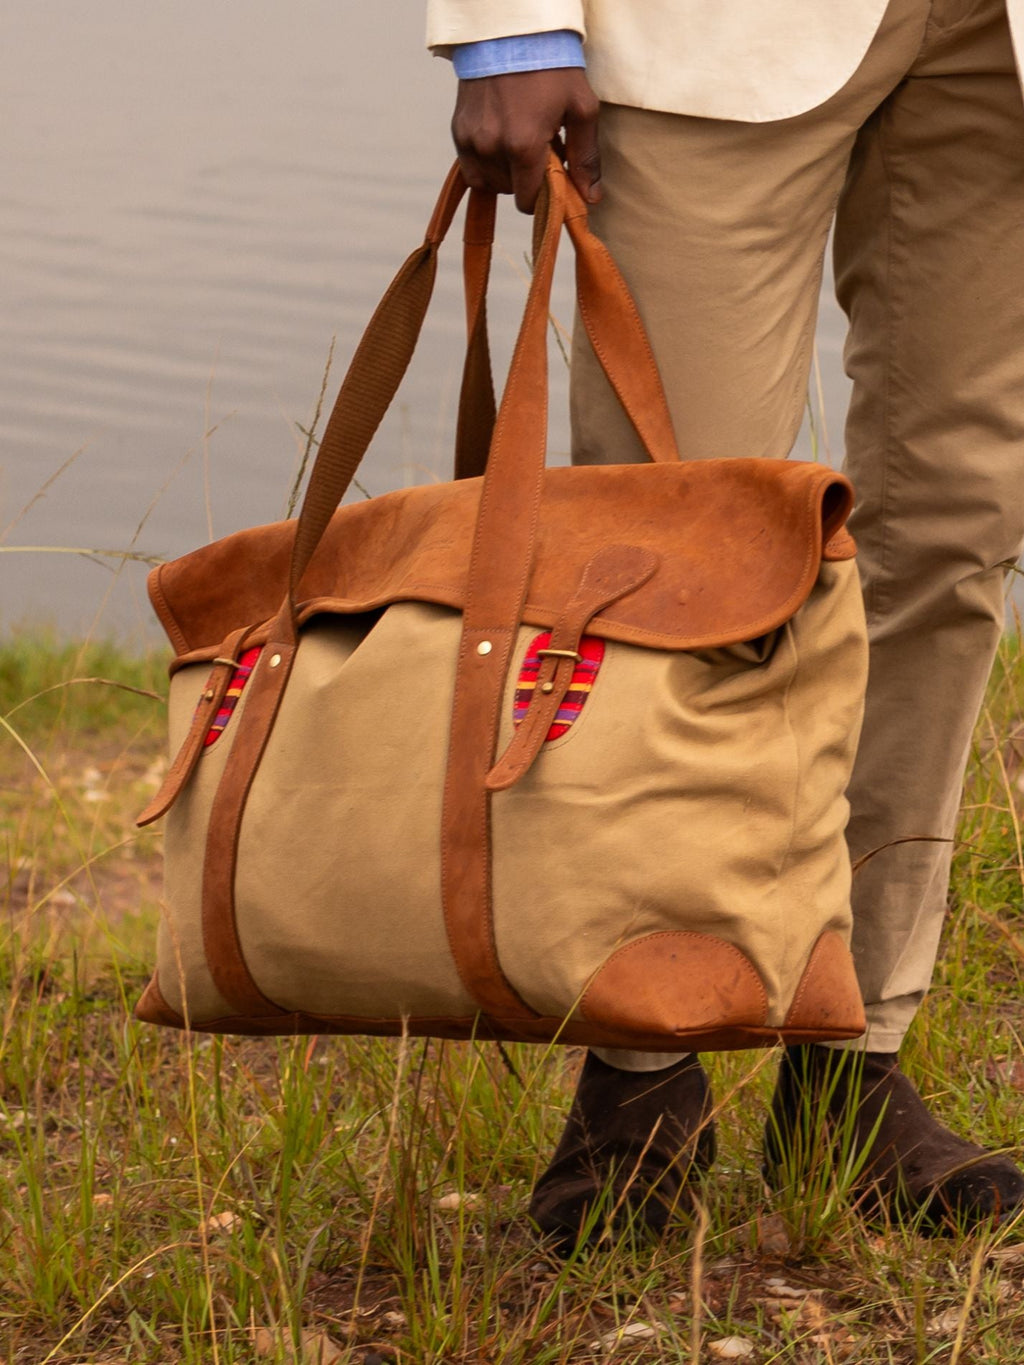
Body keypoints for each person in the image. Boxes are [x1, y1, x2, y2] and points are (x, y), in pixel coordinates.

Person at [425, 0, 1024, 1243]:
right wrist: (505, 25)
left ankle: (850, 1061)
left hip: (991, 44)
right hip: (704, 35)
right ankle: (643, 1075)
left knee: (957, 529)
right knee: (663, 549)